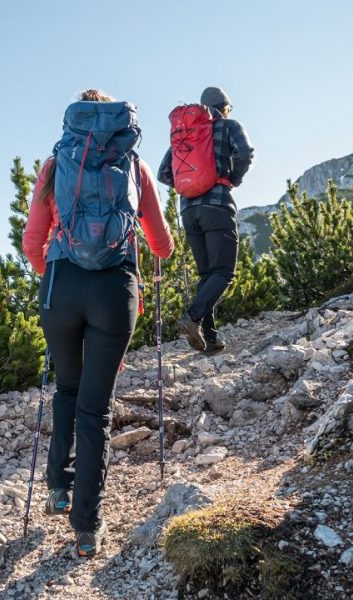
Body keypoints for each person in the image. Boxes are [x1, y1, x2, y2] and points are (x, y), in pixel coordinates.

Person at [21, 88, 174, 558]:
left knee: (67, 388)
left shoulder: (55, 165)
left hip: (62, 288)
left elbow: (32, 243)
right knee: (96, 408)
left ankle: (57, 489)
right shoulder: (133, 164)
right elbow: (162, 243)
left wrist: (59, 275)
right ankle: (86, 528)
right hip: (114, 290)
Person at [158, 86, 255, 354]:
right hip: (217, 205)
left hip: (188, 210)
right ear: (224, 107)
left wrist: (190, 185)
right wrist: (230, 179)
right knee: (223, 272)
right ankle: (192, 317)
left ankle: (210, 338)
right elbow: (245, 153)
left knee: (207, 275)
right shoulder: (228, 125)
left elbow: (163, 173)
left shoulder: (185, 134)